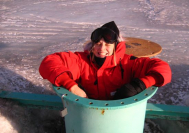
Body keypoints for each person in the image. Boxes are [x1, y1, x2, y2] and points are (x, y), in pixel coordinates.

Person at [39, 21, 171, 100]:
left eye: (107, 45)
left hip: (121, 115)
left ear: (116, 46)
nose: (101, 48)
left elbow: (163, 68)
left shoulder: (128, 63)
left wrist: (138, 85)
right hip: (85, 114)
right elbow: (48, 62)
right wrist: (71, 86)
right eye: (97, 43)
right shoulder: (81, 60)